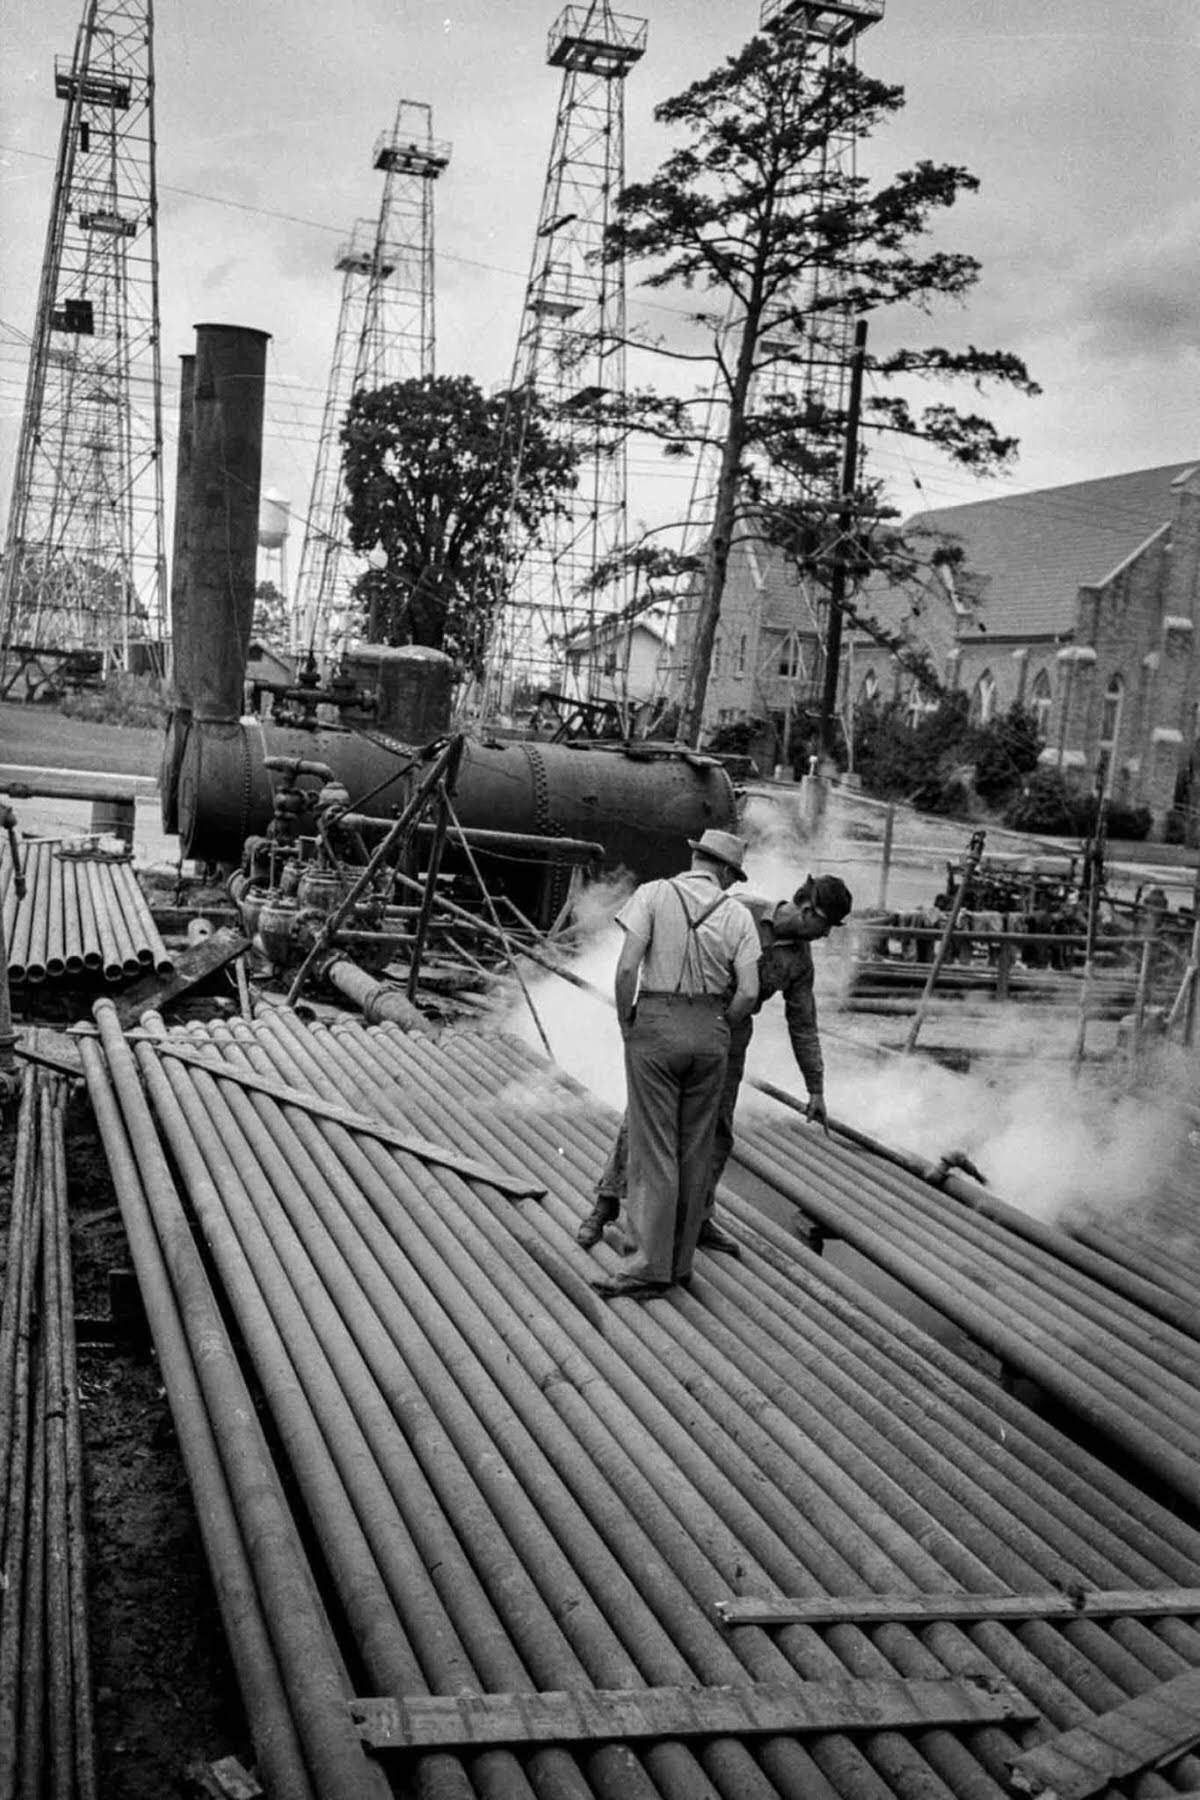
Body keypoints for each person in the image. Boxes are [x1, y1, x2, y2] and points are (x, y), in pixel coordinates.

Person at [579, 870, 854, 1260]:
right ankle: (606, 1203)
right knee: (647, 1115)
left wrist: (816, 1088)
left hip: (731, 1037)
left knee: (718, 1131)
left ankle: (699, 1217)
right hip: (687, 1017)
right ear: (809, 910)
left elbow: (803, 1024)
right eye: (826, 926)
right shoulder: (737, 912)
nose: (826, 936)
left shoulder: (799, 962)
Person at [591, 828, 762, 1299]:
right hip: (710, 1030)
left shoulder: (652, 895)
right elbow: (748, 991)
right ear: (726, 872)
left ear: (697, 858)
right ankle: (679, 1265)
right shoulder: (738, 916)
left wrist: (629, 1020)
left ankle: (647, 1267)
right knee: (694, 1151)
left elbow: (627, 968)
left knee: (652, 1152)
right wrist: (718, 1024)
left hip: (656, 1024)